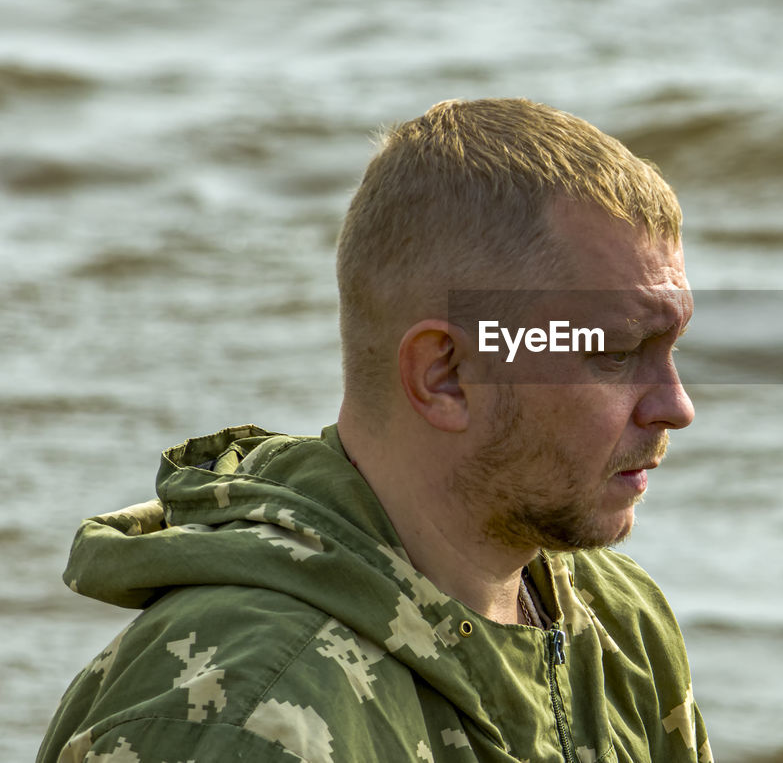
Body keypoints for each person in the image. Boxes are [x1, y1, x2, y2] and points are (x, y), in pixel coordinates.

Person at [39, 98, 713, 763]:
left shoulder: (620, 625)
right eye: (617, 352)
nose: (675, 405)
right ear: (445, 375)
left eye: (670, 345)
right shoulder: (250, 717)